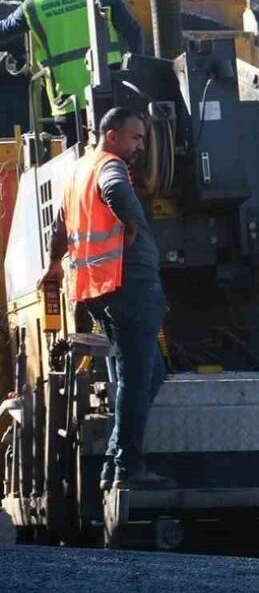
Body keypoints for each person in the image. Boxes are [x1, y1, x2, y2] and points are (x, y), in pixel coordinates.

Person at [44, 107, 173, 491]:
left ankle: (115, 463)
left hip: (101, 289)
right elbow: (116, 191)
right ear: (112, 135)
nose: (139, 146)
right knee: (136, 377)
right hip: (128, 286)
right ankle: (127, 468)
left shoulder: (77, 173)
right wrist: (133, 225)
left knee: (147, 374)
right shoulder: (108, 167)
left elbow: (59, 226)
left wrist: (53, 265)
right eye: (135, 137)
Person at [0, 0, 145, 146]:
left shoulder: (32, 7)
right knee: (116, 151)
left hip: (67, 101)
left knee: (77, 160)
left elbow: (3, 32)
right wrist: (136, 76)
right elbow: (134, 32)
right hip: (111, 90)